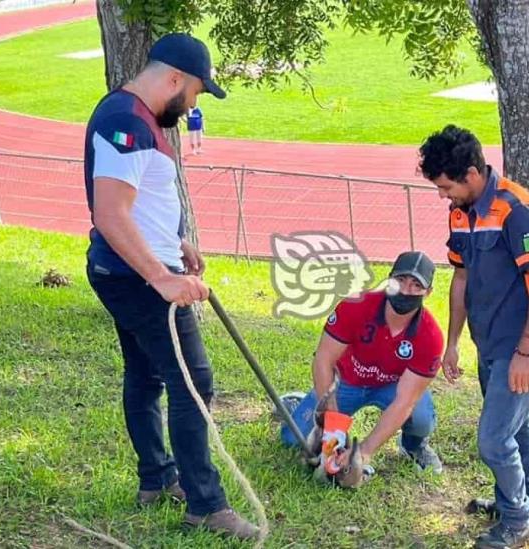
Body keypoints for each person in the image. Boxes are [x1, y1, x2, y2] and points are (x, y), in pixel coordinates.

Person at [83, 32, 257, 540]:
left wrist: (176, 242)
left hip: (139, 267)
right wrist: (161, 277)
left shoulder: (136, 116)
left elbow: (141, 199)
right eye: (197, 93)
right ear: (175, 79)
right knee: (193, 384)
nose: (194, 103)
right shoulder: (125, 124)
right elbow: (111, 213)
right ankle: (206, 504)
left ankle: (157, 479)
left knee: (145, 374)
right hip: (139, 279)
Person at [418, 125, 529, 549]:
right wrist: (454, 340)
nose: (443, 196)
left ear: (473, 173)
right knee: (516, 428)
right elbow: (461, 277)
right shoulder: (461, 212)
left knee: (494, 439)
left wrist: (526, 351)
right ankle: (524, 499)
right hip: (488, 344)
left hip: (520, 348)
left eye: (446, 187)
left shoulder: (517, 210)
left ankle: (517, 522)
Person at [281, 251, 445, 475]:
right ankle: (299, 404)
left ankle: (414, 446)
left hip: (392, 387)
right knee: (292, 439)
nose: (406, 290)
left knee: (421, 418)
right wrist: (332, 424)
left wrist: (364, 452)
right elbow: (323, 359)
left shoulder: (431, 336)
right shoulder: (355, 304)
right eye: (400, 280)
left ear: (428, 292)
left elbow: (404, 402)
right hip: (347, 380)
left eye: (416, 285)